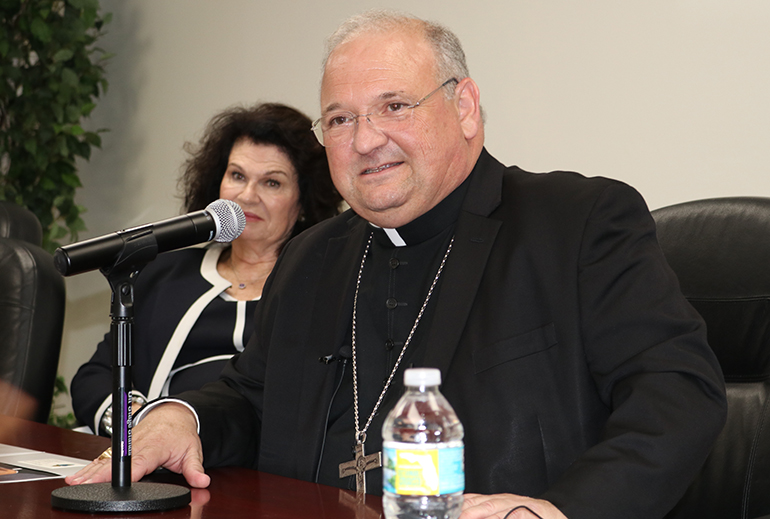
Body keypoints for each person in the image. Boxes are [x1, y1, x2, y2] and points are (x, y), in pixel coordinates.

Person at [66, 10, 727, 519]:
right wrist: (184, 416)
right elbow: (251, 395)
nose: (366, 140)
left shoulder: (575, 222)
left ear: (464, 108)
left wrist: (558, 509)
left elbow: (677, 393)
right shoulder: (312, 256)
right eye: (340, 119)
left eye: (394, 106)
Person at [69, 102, 342, 436]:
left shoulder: (321, 286)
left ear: (304, 202)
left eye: (272, 183)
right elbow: (95, 377)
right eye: (237, 176)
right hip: (148, 458)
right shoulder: (165, 273)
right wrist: (136, 424)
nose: (247, 195)